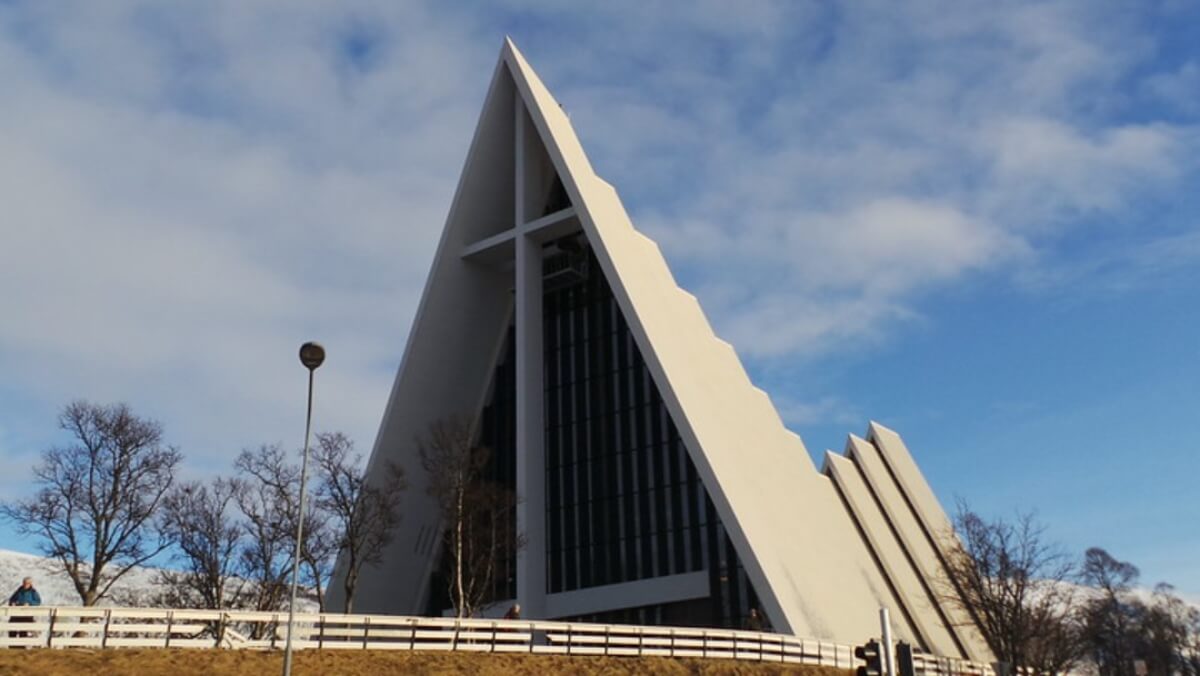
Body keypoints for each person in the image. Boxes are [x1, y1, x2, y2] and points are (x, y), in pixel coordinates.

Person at [7, 577, 41, 643]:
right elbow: (11, 600)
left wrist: (29, 604)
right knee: (12, 629)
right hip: (16, 614)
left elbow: (38, 602)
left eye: (27, 583)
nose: (26, 584)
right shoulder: (18, 591)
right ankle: (12, 646)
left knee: (23, 631)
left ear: (30, 584)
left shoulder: (33, 592)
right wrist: (13, 603)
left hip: (27, 614)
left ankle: (21, 647)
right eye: (24, 583)